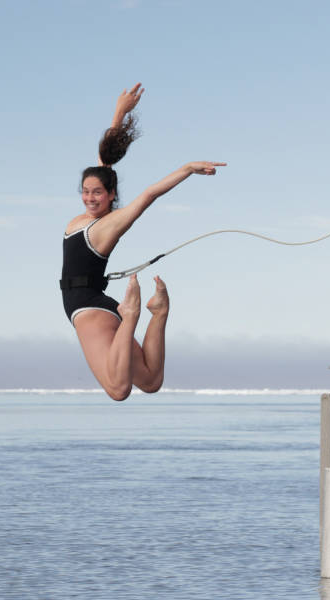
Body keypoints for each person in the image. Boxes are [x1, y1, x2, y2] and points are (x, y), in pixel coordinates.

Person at [61, 84, 225, 400]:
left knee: (118, 390)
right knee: (149, 381)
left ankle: (133, 315)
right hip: (100, 303)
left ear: (111, 195)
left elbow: (149, 194)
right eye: (85, 191)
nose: (90, 197)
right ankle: (159, 312)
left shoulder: (108, 226)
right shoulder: (89, 216)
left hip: (87, 308)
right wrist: (120, 112)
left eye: (97, 192)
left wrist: (187, 169)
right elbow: (104, 160)